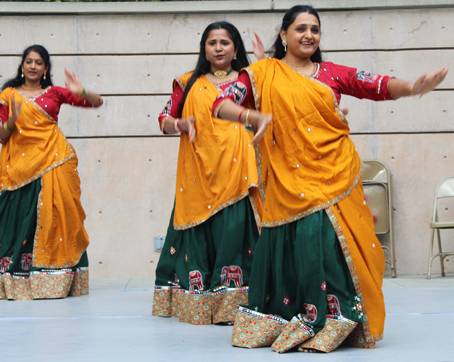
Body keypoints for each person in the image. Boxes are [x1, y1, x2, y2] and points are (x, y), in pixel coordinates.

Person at [213, 5, 448, 352]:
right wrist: (251, 115)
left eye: (315, 29)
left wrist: (413, 87)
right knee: (299, 246)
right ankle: (295, 315)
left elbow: (376, 85)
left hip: (334, 174)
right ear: (284, 35)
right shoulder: (262, 73)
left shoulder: (332, 73)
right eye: (300, 28)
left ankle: (340, 319)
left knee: (327, 243)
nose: (309, 35)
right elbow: (219, 104)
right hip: (288, 182)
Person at [151, 22, 270, 325]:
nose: (218, 48)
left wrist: (263, 64)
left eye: (225, 42)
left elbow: (270, 109)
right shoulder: (188, 82)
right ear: (204, 48)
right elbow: (164, 118)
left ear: (235, 48)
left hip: (237, 170)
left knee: (236, 233)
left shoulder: (249, 80)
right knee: (197, 234)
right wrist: (180, 125)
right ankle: (199, 303)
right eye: (212, 42)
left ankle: (237, 303)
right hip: (198, 171)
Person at [0, 45, 103, 300]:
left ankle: (53, 278)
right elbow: (1, 135)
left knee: (57, 217)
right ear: (22, 66)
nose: (32, 66)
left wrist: (80, 91)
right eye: (28, 61)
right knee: (12, 217)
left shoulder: (53, 93)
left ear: (45, 69)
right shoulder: (9, 96)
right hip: (20, 168)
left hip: (53, 161)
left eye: (38, 62)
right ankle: (4, 277)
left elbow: (96, 102)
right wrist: (11, 121)